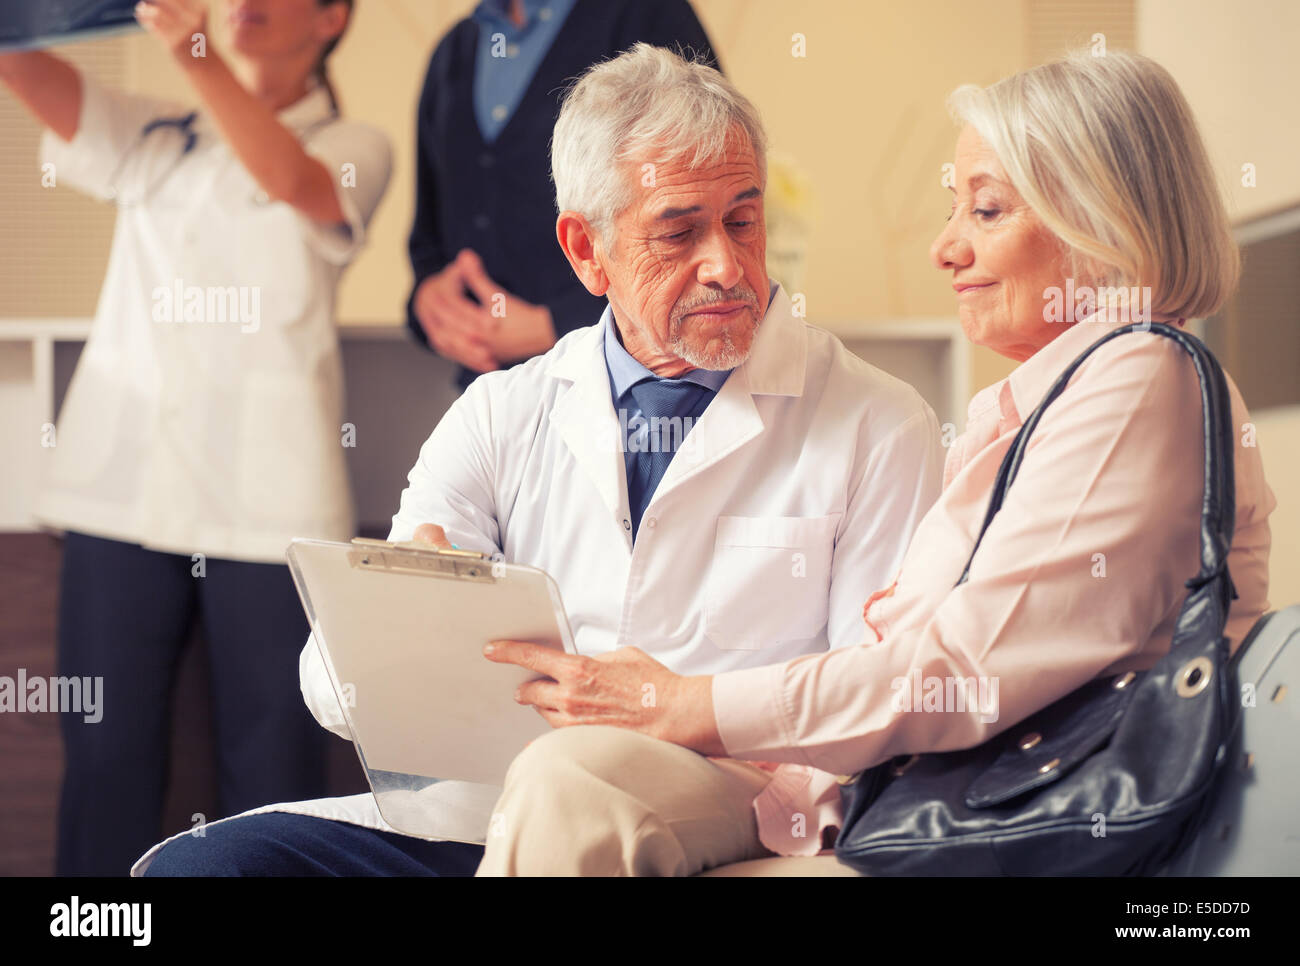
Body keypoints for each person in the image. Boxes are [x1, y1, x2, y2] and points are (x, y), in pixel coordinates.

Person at [134, 43, 944, 876]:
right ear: (585, 251)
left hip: (733, 792)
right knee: (203, 867)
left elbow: (880, 702)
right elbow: (333, 694)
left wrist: (689, 714)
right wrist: (396, 616)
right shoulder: (500, 413)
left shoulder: (877, 423)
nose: (726, 265)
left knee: (568, 780)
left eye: (743, 218)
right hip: (482, 805)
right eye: (679, 230)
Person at [474, 49, 1277, 876]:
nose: (944, 248)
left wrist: (687, 703)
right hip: (878, 805)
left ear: (1103, 223)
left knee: (568, 789)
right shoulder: (1041, 408)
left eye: (987, 210)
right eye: (953, 209)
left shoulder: (1141, 379)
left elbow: (956, 675)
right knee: (574, 785)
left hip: (1010, 827)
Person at [0, 0, 391, 875]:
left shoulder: (356, 145)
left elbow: (298, 184)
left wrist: (199, 56)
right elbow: (20, 60)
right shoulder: (160, 130)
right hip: (121, 498)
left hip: (268, 509)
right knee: (105, 764)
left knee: (270, 772)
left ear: (333, 18)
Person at [406, 0, 719, 389]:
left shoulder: (648, 14)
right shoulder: (454, 51)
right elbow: (429, 241)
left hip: (630, 388)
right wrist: (432, 303)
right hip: (488, 397)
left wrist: (554, 324)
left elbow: (701, 203)